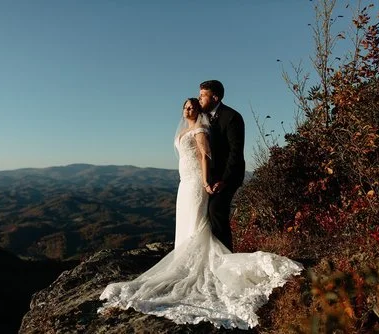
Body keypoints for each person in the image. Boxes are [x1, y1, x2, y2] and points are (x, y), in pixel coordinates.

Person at [97, 97, 303, 329]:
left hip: (196, 181)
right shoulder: (186, 127)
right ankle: (183, 259)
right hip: (184, 182)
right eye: (185, 107)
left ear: (198, 110)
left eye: (193, 107)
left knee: (197, 222)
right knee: (186, 222)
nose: (188, 110)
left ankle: (197, 263)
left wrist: (205, 182)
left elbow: (205, 155)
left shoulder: (201, 128)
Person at [199, 80, 245, 252]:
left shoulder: (232, 117)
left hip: (229, 175)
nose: (199, 98)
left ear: (215, 97)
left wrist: (224, 180)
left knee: (216, 209)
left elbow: (236, 152)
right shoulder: (201, 117)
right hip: (208, 175)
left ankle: (226, 257)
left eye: (203, 95)